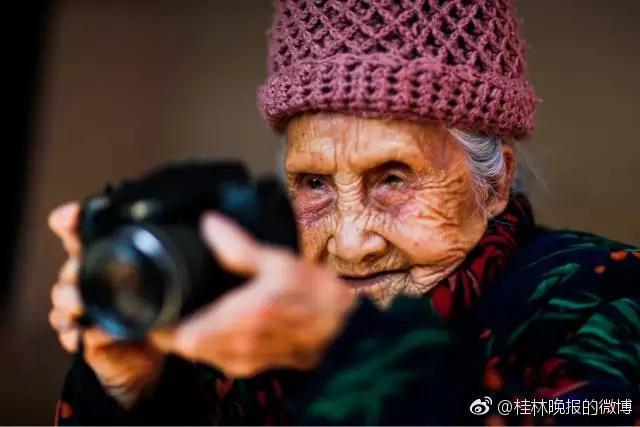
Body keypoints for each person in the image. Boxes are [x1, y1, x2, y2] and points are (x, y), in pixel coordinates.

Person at [49, 0, 640, 425]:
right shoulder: (241, 321)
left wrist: (344, 349)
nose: (351, 245)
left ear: (495, 180)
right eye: (314, 184)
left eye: (392, 178)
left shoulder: (607, 296)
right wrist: (125, 393)